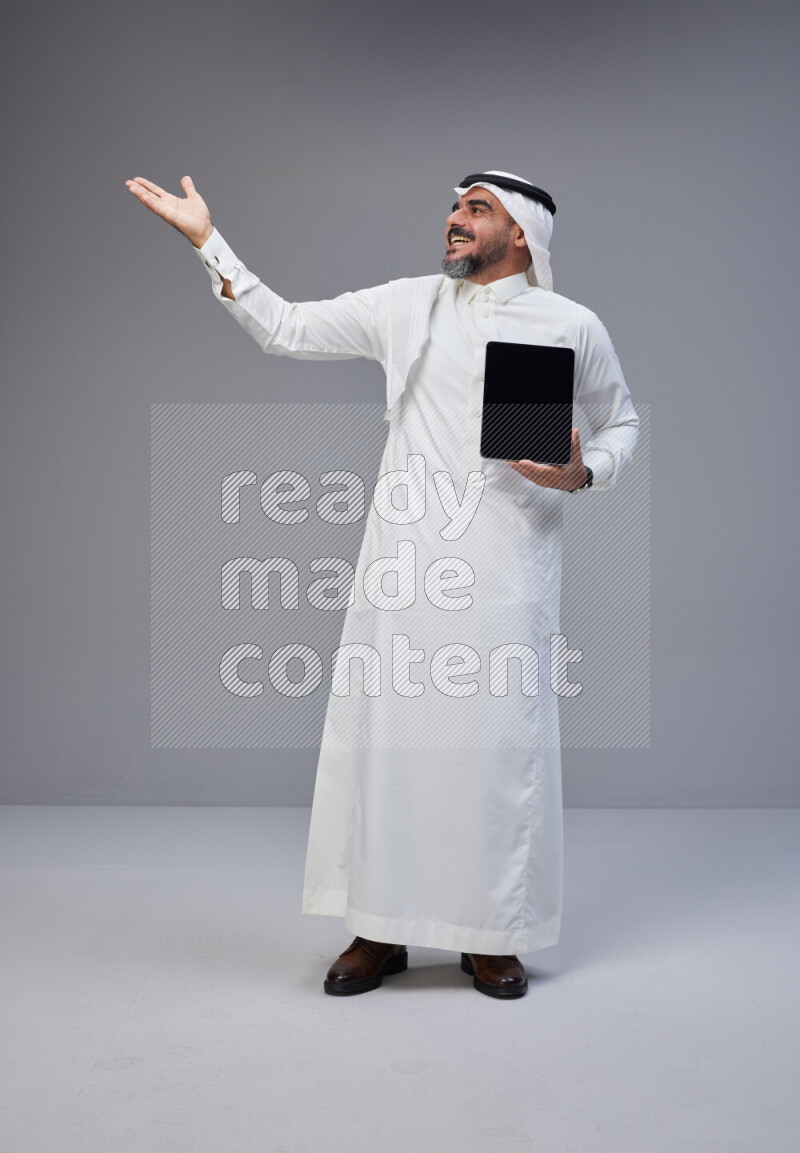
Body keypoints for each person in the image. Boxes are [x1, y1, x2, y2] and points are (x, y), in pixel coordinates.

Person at [126, 168, 639, 1000]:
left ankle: (491, 936)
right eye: (455, 206)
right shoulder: (407, 305)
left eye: (477, 210)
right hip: (403, 574)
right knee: (389, 752)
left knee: (493, 756)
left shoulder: (569, 324)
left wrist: (584, 474)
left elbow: (624, 422)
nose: (454, 220)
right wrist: (205, 240)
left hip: (509, 575)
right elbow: (285, 327)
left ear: (523, 235)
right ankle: (379, 929)